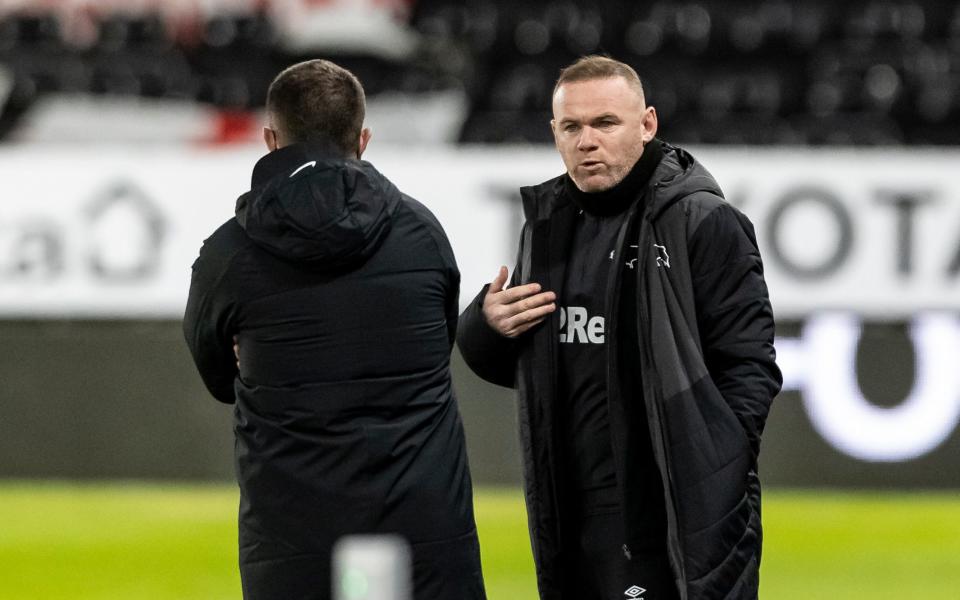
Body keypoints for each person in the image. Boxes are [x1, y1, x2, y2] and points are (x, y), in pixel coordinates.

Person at [457, 55, 782, 600]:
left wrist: (714, 469)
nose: (587, 141)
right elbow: (539, 364)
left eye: (605, 123)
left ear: (647, 123)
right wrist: (484, 327)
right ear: (554, 132)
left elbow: (750, 365)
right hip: (574, 510)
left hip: (672, 510)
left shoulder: (702, 221)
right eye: (572, 127)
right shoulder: (547, 224)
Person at [183, 59, 486, 600]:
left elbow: (216, 378)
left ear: (271, 139)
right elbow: (437, 349)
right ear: (363, 138)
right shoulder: (423, 233)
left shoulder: (227, 254)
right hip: (424, 527)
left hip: (292, 534)